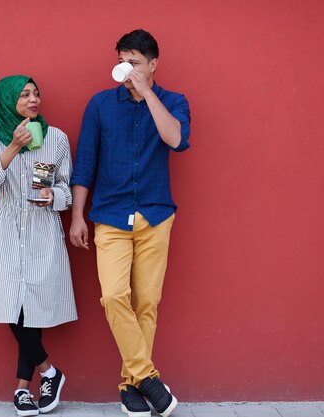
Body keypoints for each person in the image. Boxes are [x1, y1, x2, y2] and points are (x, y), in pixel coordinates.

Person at [69, 29, 191, 417]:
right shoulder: (101, 104)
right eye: (124, 61)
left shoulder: (174, 101)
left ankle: (130, 386)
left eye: (136, 62)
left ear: (154, 64)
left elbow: (175, 139)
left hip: (156, 214)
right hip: (109, 216)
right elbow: (85, 162)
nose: (128, 69)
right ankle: (148, 378)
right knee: (113, 296)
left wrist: (147, 92)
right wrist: (77, 217)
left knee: (148, 302)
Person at [0, 75, 77, 416]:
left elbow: (65, 188)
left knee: (30, 304)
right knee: (10, 303)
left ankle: (22, 389)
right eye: (24, 95)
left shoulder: (54, 138)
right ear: (7, 101)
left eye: (36, 93)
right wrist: (14, 146)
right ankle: (49, 371)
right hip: (3, 231)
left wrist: (53, 195)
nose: (34, 99)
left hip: (41, 230)